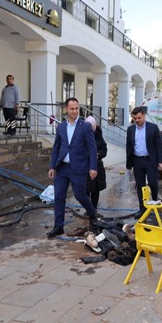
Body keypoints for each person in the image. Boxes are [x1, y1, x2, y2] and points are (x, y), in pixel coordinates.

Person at [47, 98, 98, 238]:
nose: (75, 111)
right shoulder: (61, 127)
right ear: (66, 109)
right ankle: (58, 226)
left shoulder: (85, 126)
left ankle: (92, 213)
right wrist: (52, 166)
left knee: (80, 195)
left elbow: (92, 148)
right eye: (72, 109)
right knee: (59, 197)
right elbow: (56, 147)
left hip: (79, 168)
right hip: (62, 168)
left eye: (77, 108)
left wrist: (93, 167)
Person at [125, 107, 162, 218]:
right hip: (137, 160)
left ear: (144, 116)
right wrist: (129, 163)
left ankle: (154, 202)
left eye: (139, 118)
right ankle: (142, 209)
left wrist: (161, 161)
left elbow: (159, 145)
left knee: (153, 183)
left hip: (150, 160)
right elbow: (128, 146)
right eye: (135, 118)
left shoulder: (153, 128)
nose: (137, 120)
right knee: (140, 186)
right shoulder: (131, 130)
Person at [84, 116, 107, 211]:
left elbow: (104, 149)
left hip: (97, 166)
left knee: (96, 189)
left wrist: (99, 155)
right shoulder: (82, 135)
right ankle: (88, 208)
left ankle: (94, 208)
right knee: (86, 189)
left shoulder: (98, 136)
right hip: (85, 166)